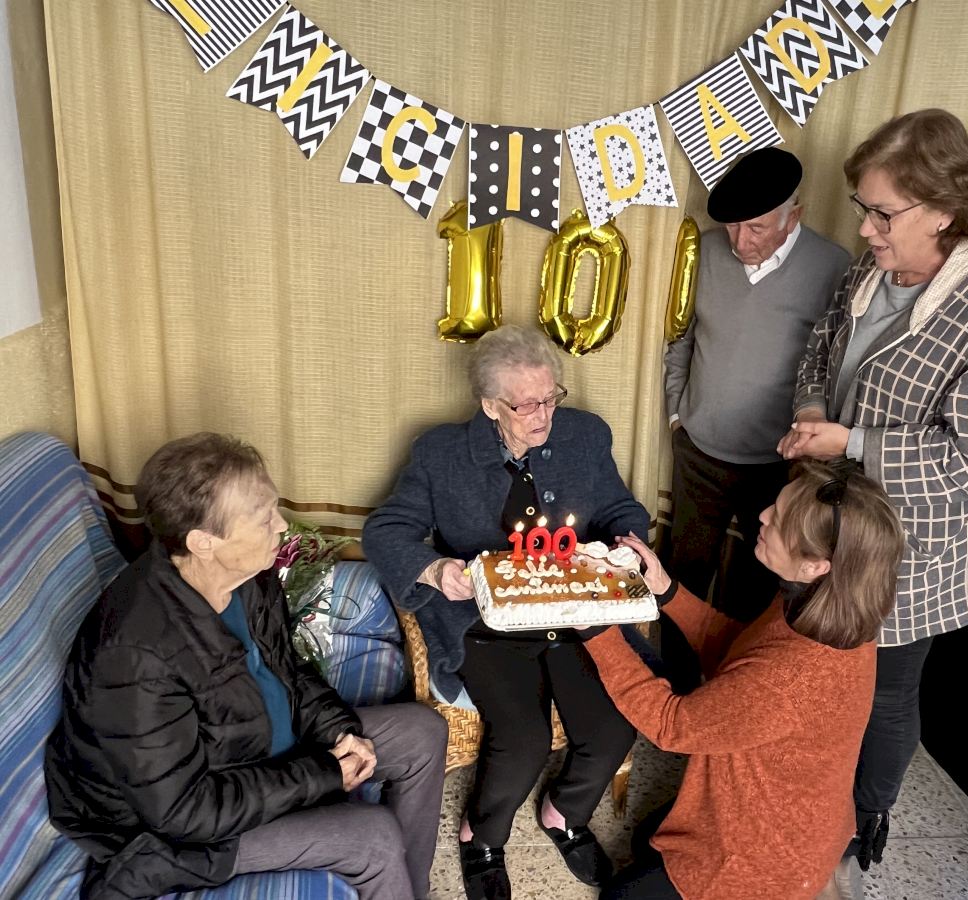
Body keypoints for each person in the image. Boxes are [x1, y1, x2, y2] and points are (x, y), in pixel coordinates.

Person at [778, 108, 968, 881]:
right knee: (819, 665)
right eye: (863, 208)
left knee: (885, 689)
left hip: (915, 543)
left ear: (946, 210)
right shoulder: (876, 269)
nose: (865, 229)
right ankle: (808, 789)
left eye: (883, 213)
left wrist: (852, 444)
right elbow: (822, 346)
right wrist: (812, 411)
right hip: (837, 516)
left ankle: (865, 816)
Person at [44, 433, 448, 900]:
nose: (281, 525)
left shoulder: (248, 577)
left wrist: (338, 731)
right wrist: (323, 773)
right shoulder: (134, 658)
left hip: (251, 744)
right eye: (263, 517)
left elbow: (287, 670)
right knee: (373, 837)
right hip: (175, 830)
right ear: (203, 542)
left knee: (422, 733)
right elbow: (183, 811)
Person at [362, 325, 650, 900]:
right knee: (522, 739)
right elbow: (386, 531)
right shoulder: (441, 453)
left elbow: (621, 508)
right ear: (490, 405)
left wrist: (625, 546)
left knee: (617, 721)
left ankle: (565, 813)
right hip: (485, 624)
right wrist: (435, 571)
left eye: (551, 398)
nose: (544, 416)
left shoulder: (585, 435)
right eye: (526, 405)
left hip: (573, 613)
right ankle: (483, 835)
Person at [579, 461, 904, 900]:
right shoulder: (820, 604)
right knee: (646, 841)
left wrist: (594, 627)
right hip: (793, 812)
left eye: (780, 520)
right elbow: (739, 648)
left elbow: (672, 724)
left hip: (765, 856)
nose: (764, 515)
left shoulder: (792, 677)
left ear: (815, 565)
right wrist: (666, 591)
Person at [663, 145, 849, 621]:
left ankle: (737, 668)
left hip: (776, 463)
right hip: (698, 451)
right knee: (682, 574)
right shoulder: (703, 251)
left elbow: (832, 364)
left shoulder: (834, 267)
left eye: (756, 228)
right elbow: (680, 335)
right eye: (732, 225)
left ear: (794, 216)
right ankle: (669, 667)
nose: (740, 241)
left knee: (757, 585)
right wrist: (677, 412)